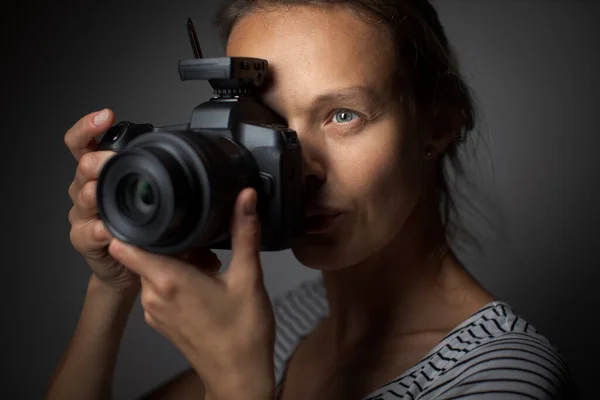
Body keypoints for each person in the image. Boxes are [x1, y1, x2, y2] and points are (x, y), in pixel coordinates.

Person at [47, 0, 577, 399]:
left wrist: (238, 387)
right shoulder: (298, 319)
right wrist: (111, 281)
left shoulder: (502, 377)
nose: (302, 169)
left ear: (437, 126)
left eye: (343, 116)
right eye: (268, 124)